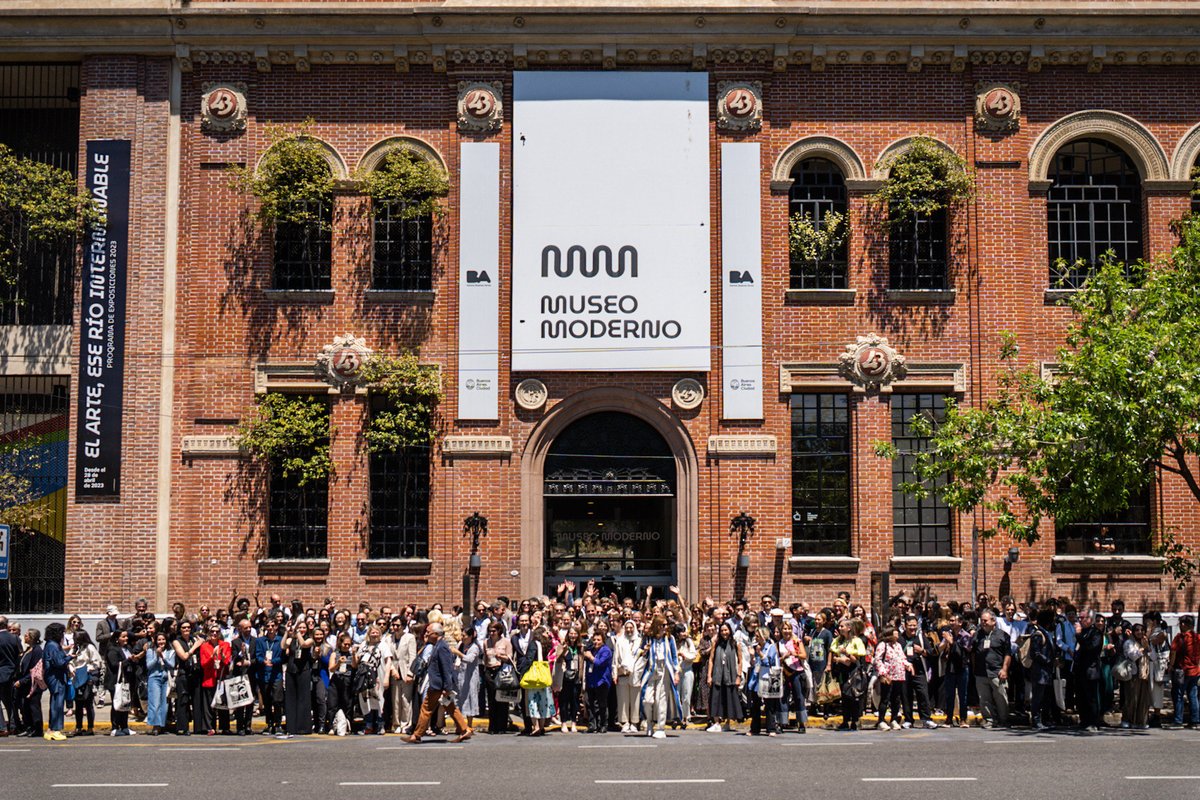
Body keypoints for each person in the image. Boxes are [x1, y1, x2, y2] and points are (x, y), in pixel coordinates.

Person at [401, 623, 473, 743]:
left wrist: (447, 687)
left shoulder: (442, 647)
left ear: (435, 634)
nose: (426, 633)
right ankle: (465, 730)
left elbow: (446, 668)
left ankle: (416, 735)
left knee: (426, 708)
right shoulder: (436, 645)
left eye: (428, 632)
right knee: (450, 707)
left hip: (438, 685)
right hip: (439, 685)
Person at [639, 614, 681, 739]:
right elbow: (640, 653)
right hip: (651, 671)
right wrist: (644, 651)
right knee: (647, 700)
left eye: (666, 625)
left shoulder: (670, 639)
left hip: (665, 671)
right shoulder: (648, 638)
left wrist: (676, 672)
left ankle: (661, 727)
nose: (665, 627)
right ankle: (649, 723)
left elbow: (674, 657)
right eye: (663, 625)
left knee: (661, 700)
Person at [972, 609, 1011, 729]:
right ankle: (989, 720)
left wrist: (1004, 669)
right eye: (981, 620)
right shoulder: (978, 635)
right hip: (981, 672)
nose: (983, 623)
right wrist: (974, 668)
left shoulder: (1002, 635)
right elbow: (973, 652)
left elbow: (1008, 654)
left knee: (1001, 697)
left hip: (996, 672)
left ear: (993, 621)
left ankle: (1003, 720)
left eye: (985, 620)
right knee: (984, 699)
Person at [898, 615, 937, 729]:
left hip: (919, 670)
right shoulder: (900, 639)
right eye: (910, 625)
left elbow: (931, 652)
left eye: (914, 625)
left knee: (923, 694)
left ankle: (926, 719)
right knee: (906, 695)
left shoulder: (921, 638)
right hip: (904, 670)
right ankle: (908, 719)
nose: (912, 628)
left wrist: (922, 651)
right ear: (905, 626)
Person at [829, 618, 866, 731]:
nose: (840, 628)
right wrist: (839, 660)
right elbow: (833, 654)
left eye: (842, 626)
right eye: (839, 626)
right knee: (845, 696)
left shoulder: (856, 641)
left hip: (853, 671)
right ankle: (845, 720)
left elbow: (855, 659)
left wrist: (846, 654)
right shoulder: (839, 641)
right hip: (842, 671)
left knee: (853, 696)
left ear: (849, 628)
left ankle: (855, 720)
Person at [706, 622, 743, 732]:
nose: (724, 633)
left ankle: (727, 723)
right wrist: (709, 675)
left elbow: (740, 661)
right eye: (722, 630)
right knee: (716, 699)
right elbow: (711, 660)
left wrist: (738, 676)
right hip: (718, 675)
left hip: (730, 675)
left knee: (729, 698)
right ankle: (716, 722)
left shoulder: (735, 644)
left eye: (726, 630)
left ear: (730, 631)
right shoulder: (716, 643)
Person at [874, 626, 910, 731]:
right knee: (885, 698)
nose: (897, 635)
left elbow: (902, 657)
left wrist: (907, 665)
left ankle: (894, 719)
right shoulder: (883, 645)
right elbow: (878, 659)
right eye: (895, 633)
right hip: (888, 675)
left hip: (898, 675)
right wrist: (883, 673)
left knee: (896, 698)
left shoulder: (898, 645)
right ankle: (881, 720)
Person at [745, 627, 779, 736]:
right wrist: (752, 656)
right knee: (755, 704)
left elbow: (769, 663)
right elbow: (755, 664)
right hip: (756, 678)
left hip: (767, 677)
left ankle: (771, 728)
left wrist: (760, 654)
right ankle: (755, 728)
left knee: (769, 705)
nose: (756, 637)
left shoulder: (771, 647)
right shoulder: (756, 647)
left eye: (758, 635)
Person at [198, 625, 231, 735]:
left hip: (221, 678)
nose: (214, 634)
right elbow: (203, 664)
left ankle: (224, 727)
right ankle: (209, 727)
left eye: (217, 631)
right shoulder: (204, 646)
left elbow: (227, 662)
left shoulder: (225, 645)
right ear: (209, 633)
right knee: (209, 705)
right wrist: (212, 656)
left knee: (223, 704)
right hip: (209, 678)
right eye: (212, 631)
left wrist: (221, 656)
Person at [171, 619, 203, 735]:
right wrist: (195, 647)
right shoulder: (176, 642)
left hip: (195, 673)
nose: (186, 629)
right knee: (183, 701)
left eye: (188, 627)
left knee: (197, 700)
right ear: (180, 629)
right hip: (183, 674)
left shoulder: (194, 639)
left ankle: (198, 727)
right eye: (184, 627)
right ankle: (183, 727)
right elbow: (184, 656)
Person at [39, 623, 70, 742]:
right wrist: (70, 657)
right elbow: (59, 663)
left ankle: (51, 729)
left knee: (55, 702)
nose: (63, 635)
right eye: (62, 632)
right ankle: (55, 729)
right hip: (56, 677)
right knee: (57, 703)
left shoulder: (51, 644)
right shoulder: (53, 645)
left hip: (53, 676)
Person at [68, 629, 101, 737]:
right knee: (78, 705)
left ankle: (90, 727)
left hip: (87, 679)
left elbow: (97, 662)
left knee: (88, 704)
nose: (75, 640)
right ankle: (78, 727)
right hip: (76, 678)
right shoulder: (75, 648)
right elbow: (69, 660)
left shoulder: (89, 648)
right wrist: (71, 668)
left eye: (77, 638)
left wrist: (88, 669)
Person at [1027, 609, 1057, 730]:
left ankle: (1045, 719)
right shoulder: (1038, 634)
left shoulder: (1046, 633)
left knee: (1045, 697)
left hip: (1046, 672)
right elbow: (1035, 653)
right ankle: (1036, 720)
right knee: (1037, 698)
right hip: (1040, 672)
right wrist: (1049, 661)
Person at [1169, 614, 1200, 728]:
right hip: (1195, 671)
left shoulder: (1180, 637)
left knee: (1178, 695)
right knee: (1193, 696)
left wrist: (1171, 666)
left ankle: (1178, 720)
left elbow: (1173, 652)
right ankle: (1195, 721)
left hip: (1182, 670)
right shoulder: (1197, 637)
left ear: (1183, 624)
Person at [255, 619, 284, 735]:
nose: (271, 628)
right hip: (263, 674)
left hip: (276, 674)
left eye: (273, 625)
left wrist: (273, 661)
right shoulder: (260, 641)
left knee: (277, 700)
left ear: (276, 627)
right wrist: (263, 661)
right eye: (268, 626)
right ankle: (269, 723)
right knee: (267, 701)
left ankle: (278, 724)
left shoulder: (280, 640)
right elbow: (257, 655)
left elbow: (283, 657)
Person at [483, 621, 513, 734]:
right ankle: (493, 726)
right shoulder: (486, 642)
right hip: (490, 670)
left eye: (494, 631)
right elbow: (485, 657)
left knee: (502, 699)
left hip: (501, 670)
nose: (492, 633)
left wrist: (500, 655)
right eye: (490, 631)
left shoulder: (506, 642)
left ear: (499, 631)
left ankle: (502, 726)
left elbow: (510, 658)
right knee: (491, 700)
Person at [229, 618, 257, 735]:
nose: (248, 630)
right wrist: (241, 652)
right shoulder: (236, 642)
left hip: (251, 674)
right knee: (240, 702)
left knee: (250, 701)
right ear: (240, 629)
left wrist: (249, 662)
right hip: (239, 675)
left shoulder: (255, 641)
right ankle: (240, 727)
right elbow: (234, 657)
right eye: (246, 628)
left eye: (250, 627)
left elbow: (258, 657)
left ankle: (248, 726)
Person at [1120, 623, 1151, 729]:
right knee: (1131, 698)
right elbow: (1132, 656)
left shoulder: (1146, 642)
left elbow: (1153, 657)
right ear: (1133, 632)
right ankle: (1127, 719)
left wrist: (1148, 648)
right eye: (1137, 630)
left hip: (1144, 674)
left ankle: (1140, 721)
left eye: (1142, 630)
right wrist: (1142, 649)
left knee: (1143, 699)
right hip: (1132, 674)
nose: (1139, 632)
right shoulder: (1129, 643)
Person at [144, 631, 175, 735]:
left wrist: (163, 657)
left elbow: (172, 665)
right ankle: (155, 726)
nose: (161, 642)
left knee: (164, 704)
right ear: (155, 641)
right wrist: (157, 656)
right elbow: (149, 666)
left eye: (163, 639)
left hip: (166, 678)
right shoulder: (150, 651)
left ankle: (162, 725)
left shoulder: (171, 651)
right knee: (155, 703)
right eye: (159, 640)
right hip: (154, 678)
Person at [103, 629, 133, 737]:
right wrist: (129, 660)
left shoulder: (127, 648)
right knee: (116, 704)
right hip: (115, 681)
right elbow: (115, 665)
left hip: (126, 680)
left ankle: (124, 727)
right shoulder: (112, 650)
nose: (126, 639)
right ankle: (115, 728)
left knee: (125, 704)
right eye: (123, 637)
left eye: (126, 636)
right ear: (117, 639)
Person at [555, 627, 583, 733]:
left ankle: (573, 722)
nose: (573, 636)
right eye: (571, 633)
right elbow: (557, 659)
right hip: (564, 676)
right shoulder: (562, 646)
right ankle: (563, 722)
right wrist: (564, 651)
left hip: (576, 676)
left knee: (575, 700)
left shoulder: (580, 647)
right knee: (564, 701)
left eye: (575, 633)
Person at [327, 632, 356, 735]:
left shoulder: (351, 654)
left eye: (349, 644)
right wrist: (338, 663)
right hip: (336, 679)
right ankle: (331, 726)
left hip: (347, 680)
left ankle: (347, 725)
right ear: (340, 643)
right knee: (332, 704)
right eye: (345, 644)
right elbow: (331, 669)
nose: (347, 646)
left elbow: (354, 666)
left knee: (347, 704)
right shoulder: (335, 654)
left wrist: (353, 654)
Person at [583, 630, 612, 733]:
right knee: (590, 703)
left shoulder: (606, 651)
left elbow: (599, 663)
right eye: (594, 640)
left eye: (598, 640)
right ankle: (592, 725)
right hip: (591, 680)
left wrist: (590, 657)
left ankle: (603, 724)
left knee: (601, 704)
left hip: (602, 681)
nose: (596, 642)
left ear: (603, 641)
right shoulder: (591, 649)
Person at [674, 623, 698, 729]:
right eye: (681, 631)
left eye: (684, 631)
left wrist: (685, 655)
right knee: (677, 694)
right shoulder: (673, 642)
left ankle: (686, 716)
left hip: (687, 670)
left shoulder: (689, 642)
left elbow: (693, 655)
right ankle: (677, 717)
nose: (684, 633)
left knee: (687, 695)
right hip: (677, 671)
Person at [0, 615, 18, 736]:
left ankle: (2, 727)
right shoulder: (14, 638)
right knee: (10, 702)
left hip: (1, 672)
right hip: (12, 673)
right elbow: (19, 655)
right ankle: (13, 725)